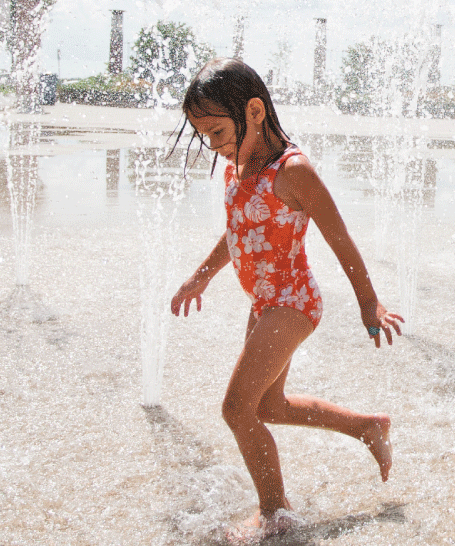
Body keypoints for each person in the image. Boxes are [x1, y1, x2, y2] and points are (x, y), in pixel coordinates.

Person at [169, 57, 401, 541]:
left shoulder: (292, 172)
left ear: (254, 111)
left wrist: (369, 303)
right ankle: (368, 427)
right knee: (267, 408)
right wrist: (201, 277)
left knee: (236, 409)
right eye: (204, 135)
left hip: (293, 302)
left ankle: (275, 511)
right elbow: (236, 232)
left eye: (216, 131)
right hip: (264, 302)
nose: (213, 145)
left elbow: (340, 238)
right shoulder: (237, 163)